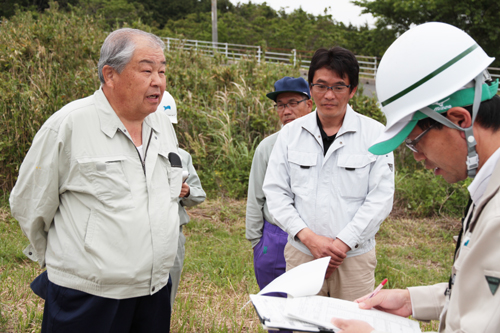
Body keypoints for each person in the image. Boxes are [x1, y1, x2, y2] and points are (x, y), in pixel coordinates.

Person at [331, 22, 500, 333]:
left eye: (414, 140)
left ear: (459, 120)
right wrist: (412, 300)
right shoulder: (489, 185)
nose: (417, 156)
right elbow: (483, 295)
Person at [9, 28, 181, 332]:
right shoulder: (69, 124)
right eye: (146, 70)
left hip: (153, 291)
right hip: (88, 295)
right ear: (110, 74)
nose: (158, 81)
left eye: (162, 71)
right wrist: (71, 262)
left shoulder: (162, 125)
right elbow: (30, 203)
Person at [263, 47, 395, 301]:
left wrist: (342, 244)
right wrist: (309, 238)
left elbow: (380, 198)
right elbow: (276, 192)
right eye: (321, 86)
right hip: (303, 254)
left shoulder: (375, 135)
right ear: (310, 88)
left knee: (351, 326)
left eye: (338, 87)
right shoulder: (290, 135)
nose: (329, 95)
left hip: (353, 259)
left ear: (353, 89)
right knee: (302, 325)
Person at [246, 77, 312, 296]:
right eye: (281, 105)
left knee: (308, 304)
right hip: (275, 236)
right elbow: (256, 197)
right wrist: (257, 242)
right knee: (276, 305)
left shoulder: (322, 144)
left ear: (309, 104)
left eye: (293, 103)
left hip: (314, 235)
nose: (286, 110)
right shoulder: (267, 147)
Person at [157, 91, 207, 309]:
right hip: (139, 231)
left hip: (173, 234)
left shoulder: (182, 156)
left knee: (167, 293)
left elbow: (199, 193)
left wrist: (186, 192)